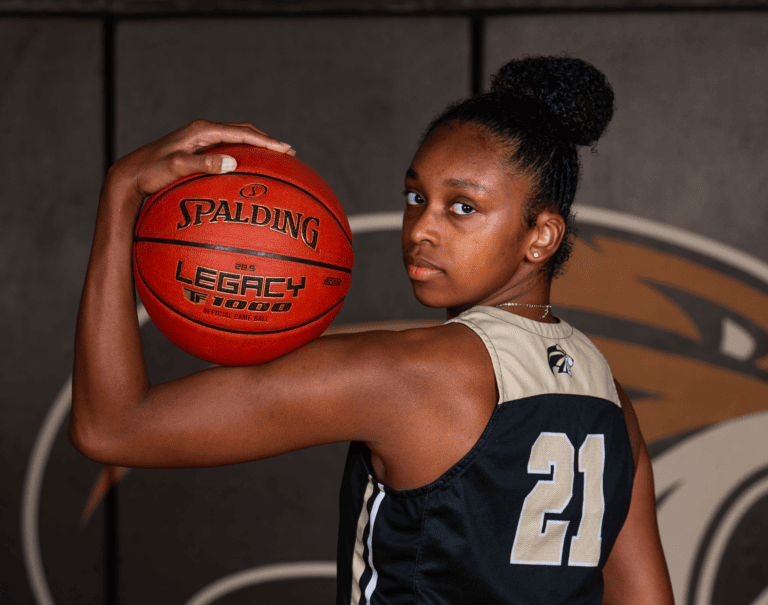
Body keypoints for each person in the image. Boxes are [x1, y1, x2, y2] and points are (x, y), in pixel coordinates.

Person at [70, 55, 674, 604]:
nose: (422, 229)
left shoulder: (405, 376)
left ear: (541, 235)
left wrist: (122, 194)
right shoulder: (609, 399)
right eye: (416, 197)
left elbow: (112, 426)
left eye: (462, 207)